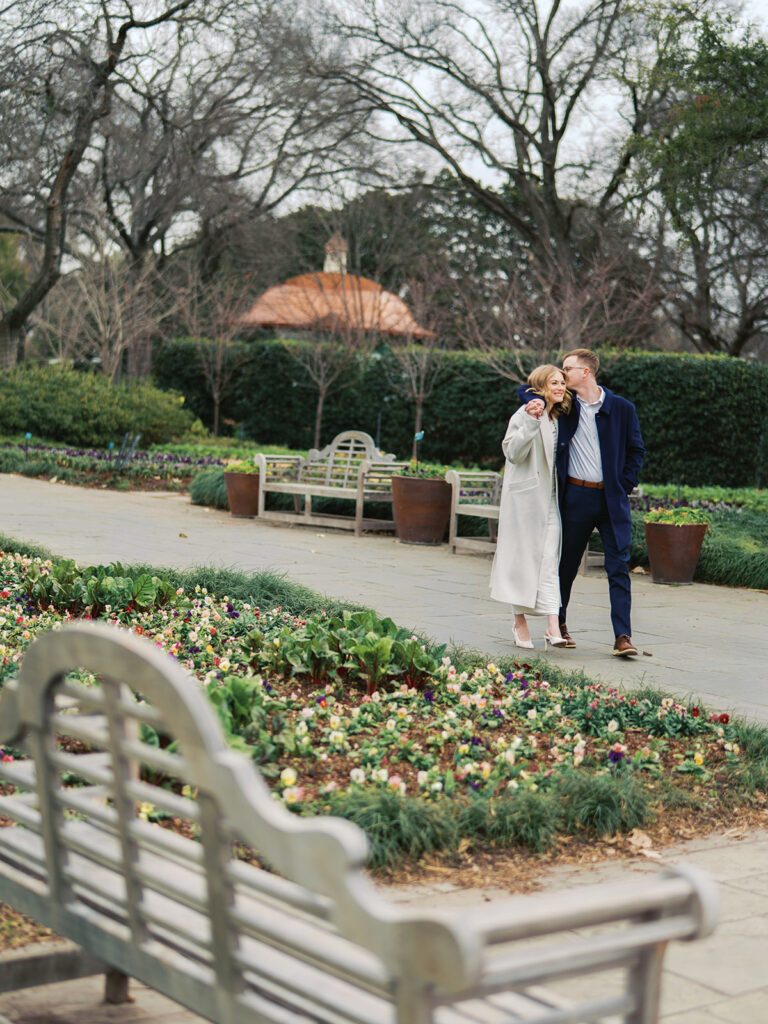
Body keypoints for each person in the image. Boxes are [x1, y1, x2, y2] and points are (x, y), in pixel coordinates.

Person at [520, 348, 645, 656]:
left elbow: (636, 451)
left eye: (568, 369)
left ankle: (623, 636)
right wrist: (533, 401)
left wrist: (623, 483)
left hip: (612, 499)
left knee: (618, 567)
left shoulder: (622, 408)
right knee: (567, 565)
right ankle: (558, 625)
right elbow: (525, 389)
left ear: (586, 372)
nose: (562, 376)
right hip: (576, 496)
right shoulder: (566, 405)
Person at [490, 364, 571, 650]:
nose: (560, 387)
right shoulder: (525, 414)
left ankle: (552, 625)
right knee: (521, 563)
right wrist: (530, 420)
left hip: (550, 502)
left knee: (549, 560)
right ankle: (519, 622)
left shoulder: (558, 418)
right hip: (524, 503)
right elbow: (512, 452)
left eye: (562, 382)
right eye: (554, 383)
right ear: (541, 386)